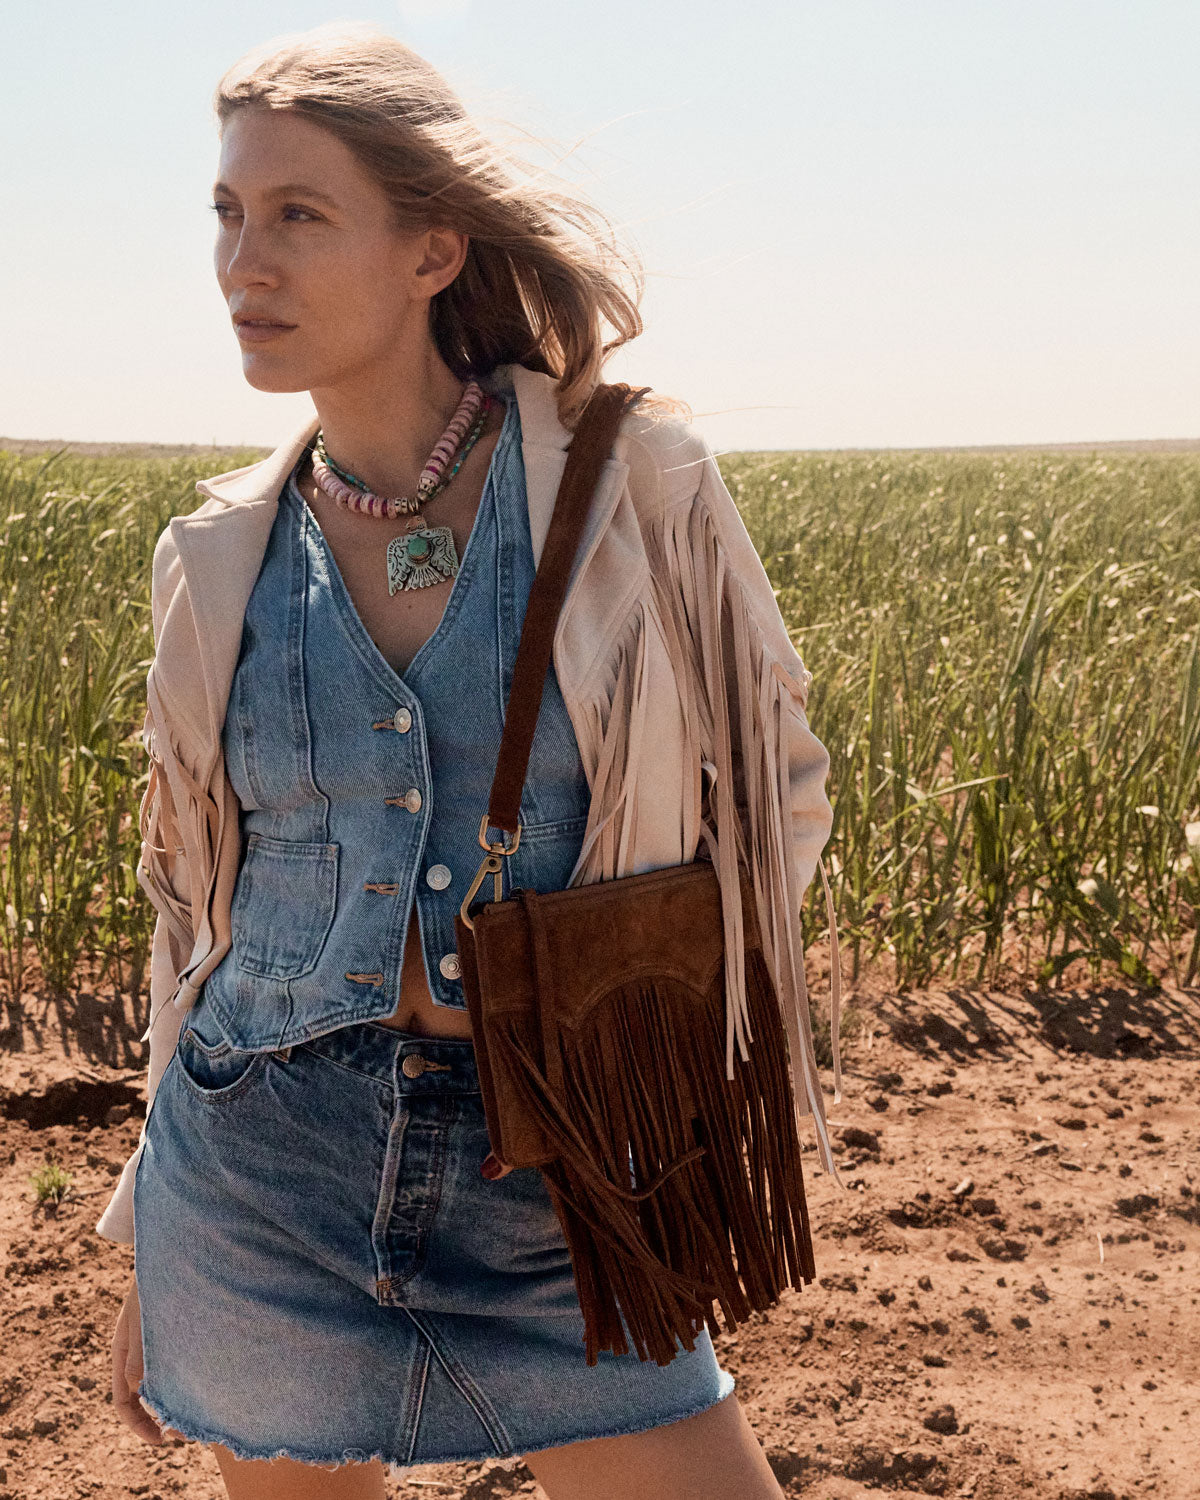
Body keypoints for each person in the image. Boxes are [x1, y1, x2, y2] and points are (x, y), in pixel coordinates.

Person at [102, 20, 838, 1500]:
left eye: (300, 215)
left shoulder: (637, 488)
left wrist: (653, 1092)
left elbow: (779, 802)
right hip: (259, 1175)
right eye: (229, 215)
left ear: (433, 250)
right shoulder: (217, 555)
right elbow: (196, 905)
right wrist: (147, 1236)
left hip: (557, 1182)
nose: (247, 263)